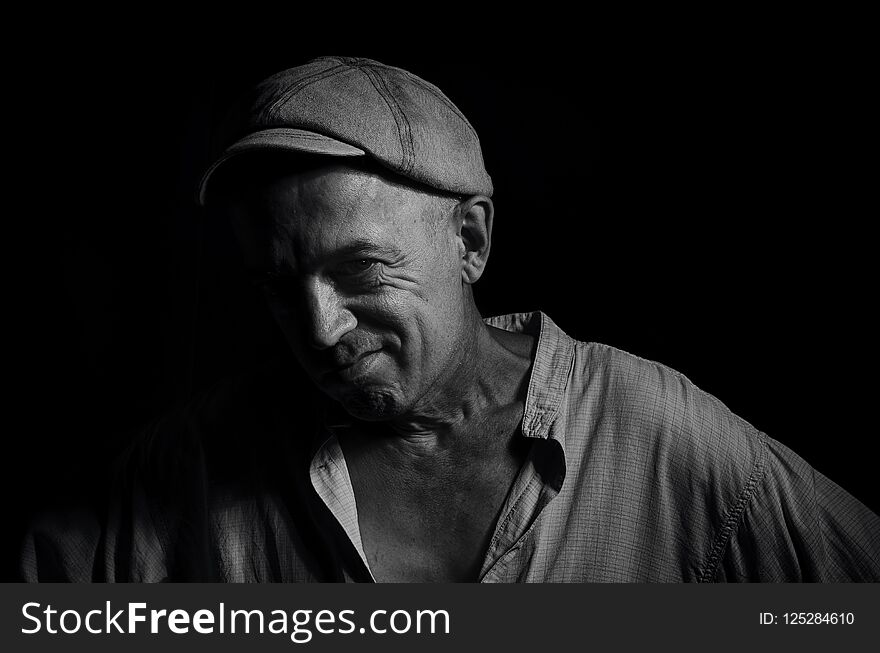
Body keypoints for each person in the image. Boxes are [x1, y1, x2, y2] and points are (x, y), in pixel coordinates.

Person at [22, 56, 879, 582]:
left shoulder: (651, 432)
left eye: (359, 269)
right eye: (279, 286)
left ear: (468, 239)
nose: (318, 330)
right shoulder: (196, 464)